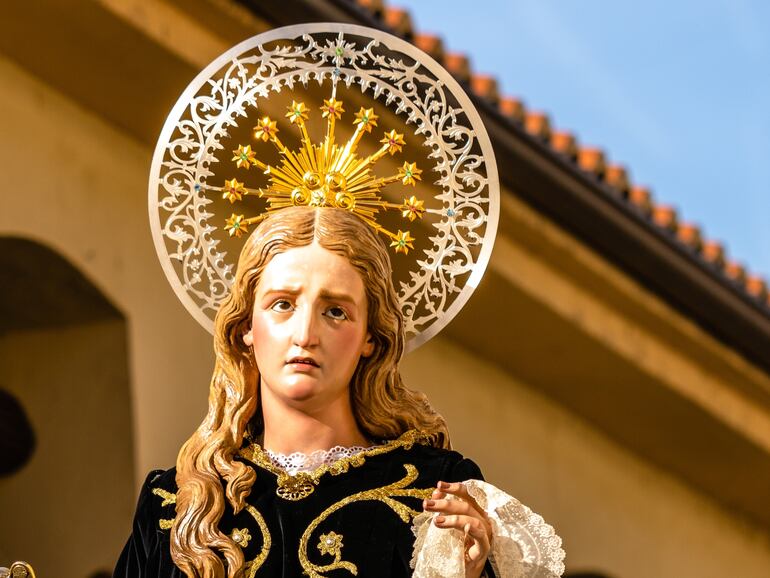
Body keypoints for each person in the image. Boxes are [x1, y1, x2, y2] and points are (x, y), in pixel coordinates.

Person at [114, 207, 496, 578]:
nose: (305, 335)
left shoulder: (431, 490)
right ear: (246, 326)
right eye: (282, 304)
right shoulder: (174, 501)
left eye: (335, 311)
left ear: (370, 336)